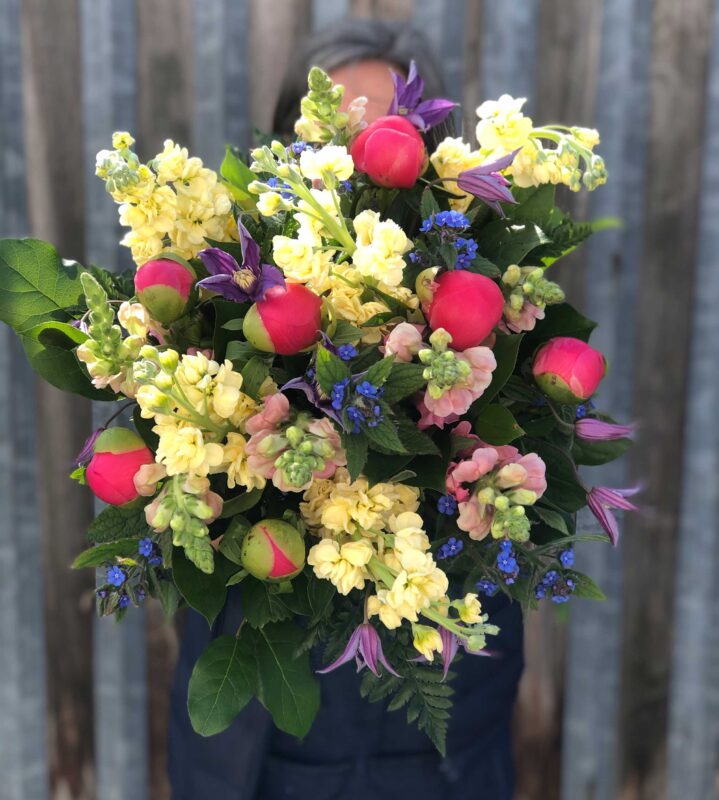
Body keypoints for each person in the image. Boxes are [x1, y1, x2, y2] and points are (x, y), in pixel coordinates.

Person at [168, 19, 524, 800]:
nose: (359, 151)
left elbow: (525, 486)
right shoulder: (213, 296)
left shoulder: (489, 306)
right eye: (334, 127)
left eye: (385, 126)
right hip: (269, 744)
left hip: (442, 743)